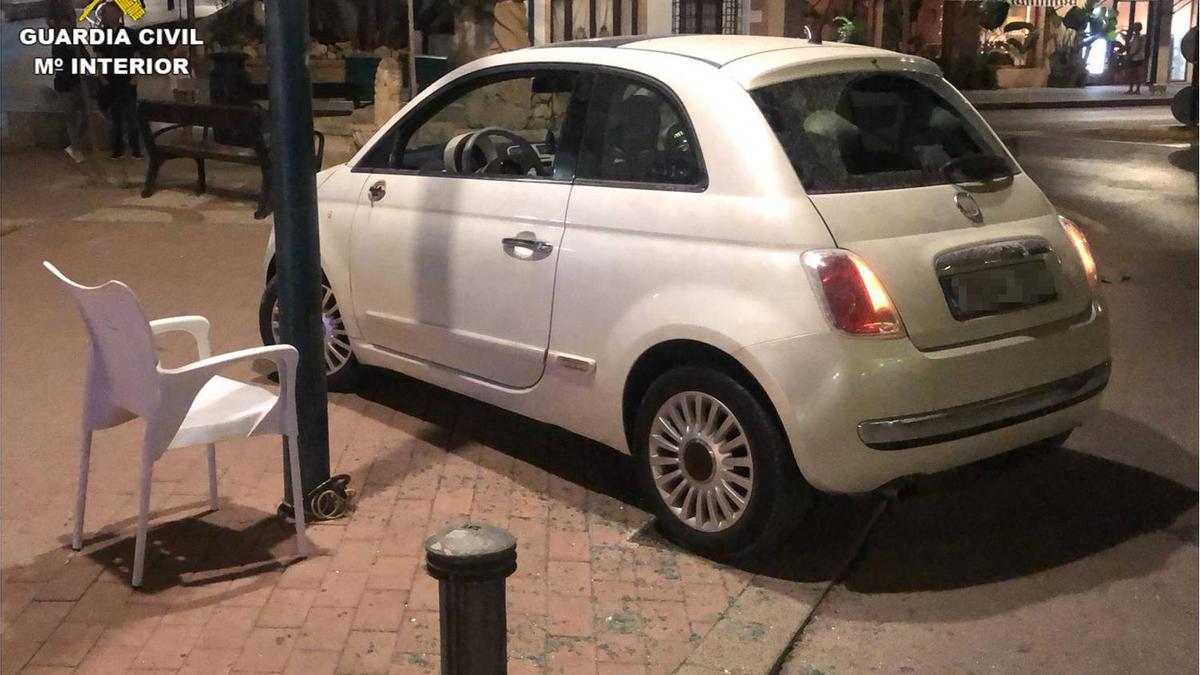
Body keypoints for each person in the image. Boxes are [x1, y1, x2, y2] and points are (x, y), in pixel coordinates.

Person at [95, 1, 142, 158]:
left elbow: (136, 56)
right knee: (115, 116)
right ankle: (118, 148)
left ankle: (135, 148)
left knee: (131, 116)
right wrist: (102, 78)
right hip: (111, 79)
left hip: (127, 78)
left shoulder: (130, 34)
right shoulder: (100, 36)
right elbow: (99, 57)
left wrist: (135, 77)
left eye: (112, 12)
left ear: (119, 14)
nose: (110, 16)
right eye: (107, 13)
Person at [49, 12, 89, 162]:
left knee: (86, 116)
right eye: (67, 22)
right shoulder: (58, 41)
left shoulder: (77, 39)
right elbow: (59, 64)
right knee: (71, 117)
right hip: (66, 85)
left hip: (79, 84)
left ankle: (74, 144)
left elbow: (86, 57)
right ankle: (76, 149)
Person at [1122, 22, 1149, 95]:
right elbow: (1131, 46)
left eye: (1135, 27)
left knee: (1137, 74)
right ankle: (1131, 89)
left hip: (1137, 57)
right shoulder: (1134, 37)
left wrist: (1131, 55)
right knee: (1132, 73)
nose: (1134, 28)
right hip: (1134, 57)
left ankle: (1137, 89)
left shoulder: (1140, 37)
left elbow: (1138, 48)